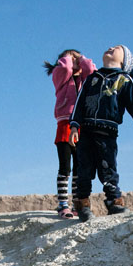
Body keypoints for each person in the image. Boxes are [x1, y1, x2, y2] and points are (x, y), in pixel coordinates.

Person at [69, 44, 133, 222]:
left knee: (108, 168)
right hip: (86, 131)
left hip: (107, 133)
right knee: (83, 167)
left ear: (124, 61)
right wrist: (75, 126)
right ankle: (82, 204)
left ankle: (114, 201)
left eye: (117, 48)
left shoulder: (124, 80)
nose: (110, 48)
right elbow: (79, 103)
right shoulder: (92, 79)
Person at [44, 49, 96, 219]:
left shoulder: (84, 80)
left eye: (77, 58)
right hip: (65, 124)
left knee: (79, 169)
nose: (75, 61)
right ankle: (62, 204)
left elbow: (92, 71)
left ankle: (76, 204)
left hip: (81, 126)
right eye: (71, 58)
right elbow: (65, 69)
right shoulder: (61, 78)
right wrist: (67, 58)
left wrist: (81, 59)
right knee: (65, 167)